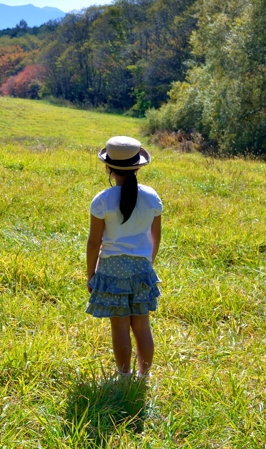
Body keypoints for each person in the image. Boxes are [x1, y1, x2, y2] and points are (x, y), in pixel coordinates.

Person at [85, 135, 162, 379]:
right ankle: (144, 376)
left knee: (119, 325)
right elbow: (155, 237)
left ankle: (124, 376)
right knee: (141, 325)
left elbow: (94, 242)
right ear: (138, 166)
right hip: (141, 267)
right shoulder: (152, 197)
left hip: (111, 269)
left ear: (108, 167)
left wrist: (91, 275)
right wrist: (148, 264)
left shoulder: (102, 200)